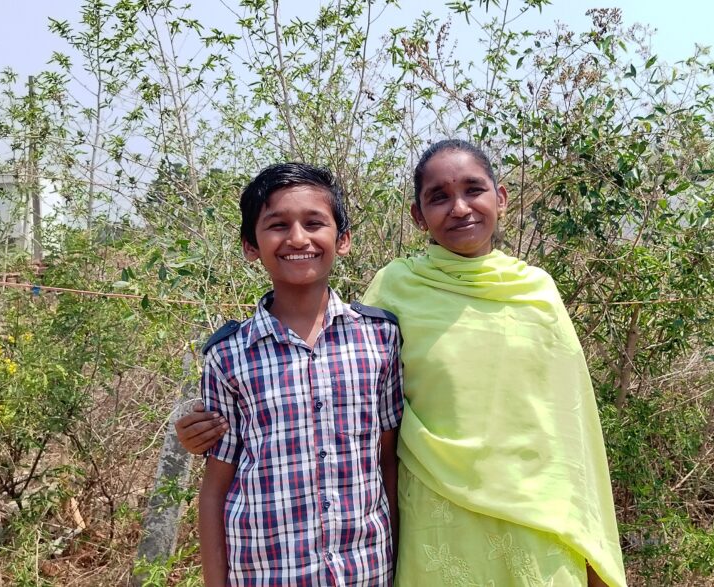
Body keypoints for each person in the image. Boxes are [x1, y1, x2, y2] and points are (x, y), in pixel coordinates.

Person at [179, 142, 628, 586]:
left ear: (502, 197)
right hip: (436, 513)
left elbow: (572, 422)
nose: (459, 208)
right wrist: (200, 429)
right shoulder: (395, 292)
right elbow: (349, 412)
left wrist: (585, 531)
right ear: (418, 215)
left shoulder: (537, 293)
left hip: (535, 510)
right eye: (438, 197)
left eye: (474, 190)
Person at [195, 163, 404, 587]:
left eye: (314, 223)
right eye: (277, 225)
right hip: (266, 572)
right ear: (251, 245)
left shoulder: (381, 339)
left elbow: (388, 465)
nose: (297, 238)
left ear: (342, 240)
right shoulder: (229, 355)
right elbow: (216, 488)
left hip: (364, 571)